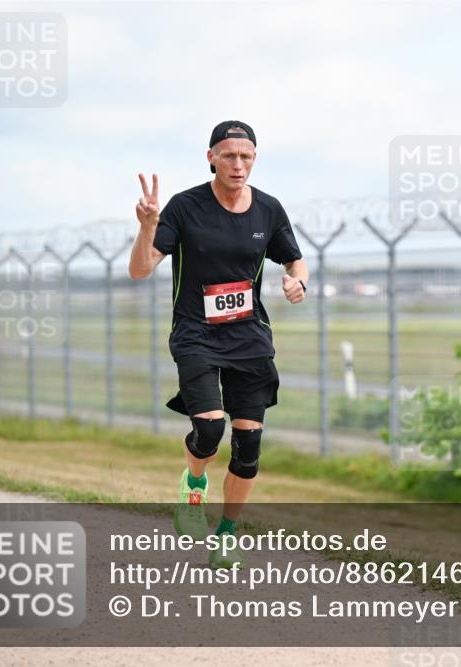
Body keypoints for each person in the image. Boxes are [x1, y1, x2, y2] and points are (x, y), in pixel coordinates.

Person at [128, 120, 308, 569]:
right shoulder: (186, 207)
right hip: (196, 334)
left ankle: (227, 533)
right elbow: (141, 268)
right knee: (209, 429)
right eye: (229, 155)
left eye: (246, 156)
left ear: (255, 160)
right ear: (211, 157)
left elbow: (295, 260)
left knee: (248, 446)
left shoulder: (268, 209)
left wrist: (297, 281)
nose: (238, 164)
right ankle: (193, 486)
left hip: (249, 338)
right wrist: (147, 227)